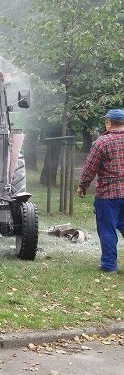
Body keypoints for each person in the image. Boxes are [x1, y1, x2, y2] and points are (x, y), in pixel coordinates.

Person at [77, 108, 124, 273]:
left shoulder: (102, 142)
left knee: (107, 230)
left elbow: (90, 167)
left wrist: (82, 185)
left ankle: (110, 265)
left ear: (109, 123)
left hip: (108, 195)